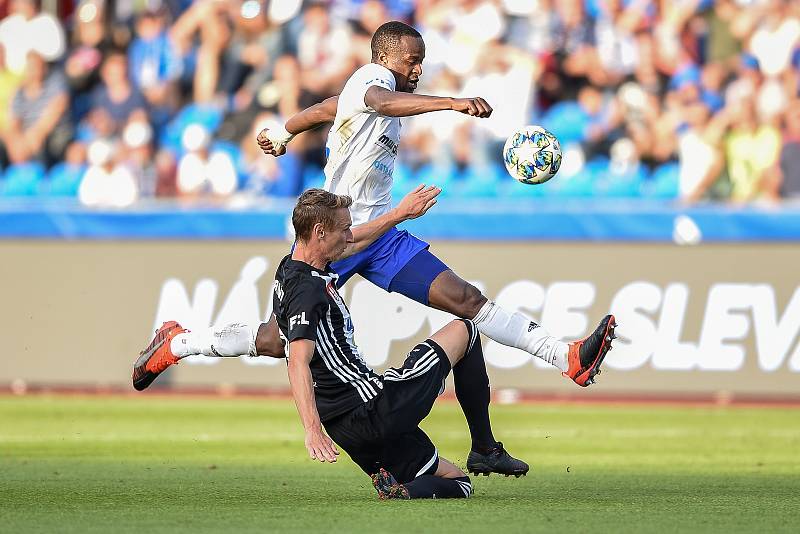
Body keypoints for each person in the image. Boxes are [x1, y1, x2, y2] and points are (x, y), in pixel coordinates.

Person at [255, 21, 615, 387]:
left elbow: (324, 108)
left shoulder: (365, 98)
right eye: (411, 61)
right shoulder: (372, 78)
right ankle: (193, 342)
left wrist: (283, 134)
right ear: (383, 59)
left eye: (421, 61)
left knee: (465, 297)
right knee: (274, 339)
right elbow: (379, 101)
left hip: (380, 238)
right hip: (335, 238)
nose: (418, 69)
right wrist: (451, 103)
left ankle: (563, 356)